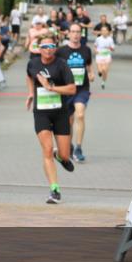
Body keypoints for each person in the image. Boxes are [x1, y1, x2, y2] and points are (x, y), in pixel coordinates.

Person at [25, 37, 77, 204]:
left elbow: (72, 89)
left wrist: (51, 88)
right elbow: (29, 76)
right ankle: (54, 189)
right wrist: (31, 92)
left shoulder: (61, 64)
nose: (48, 49)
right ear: (39, 48)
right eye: (45, 46)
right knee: (46, 149)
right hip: (41, 113)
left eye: (51, 46)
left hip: (61, 113)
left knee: (65, 154)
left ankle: (61, 157)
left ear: (55, 48)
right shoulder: (33, 63)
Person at [56, 24, 94, 162]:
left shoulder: (86, 50)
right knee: (69, 121)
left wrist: (91, 73)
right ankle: (69, 147)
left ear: (81, 34)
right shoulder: (61, 51)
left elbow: (88, 64)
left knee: (80, 114)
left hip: (82, 89)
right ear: (68, 34)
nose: (76, 34)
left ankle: (78, 148)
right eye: (73, 32)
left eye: (78, 32)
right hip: (66, 90)